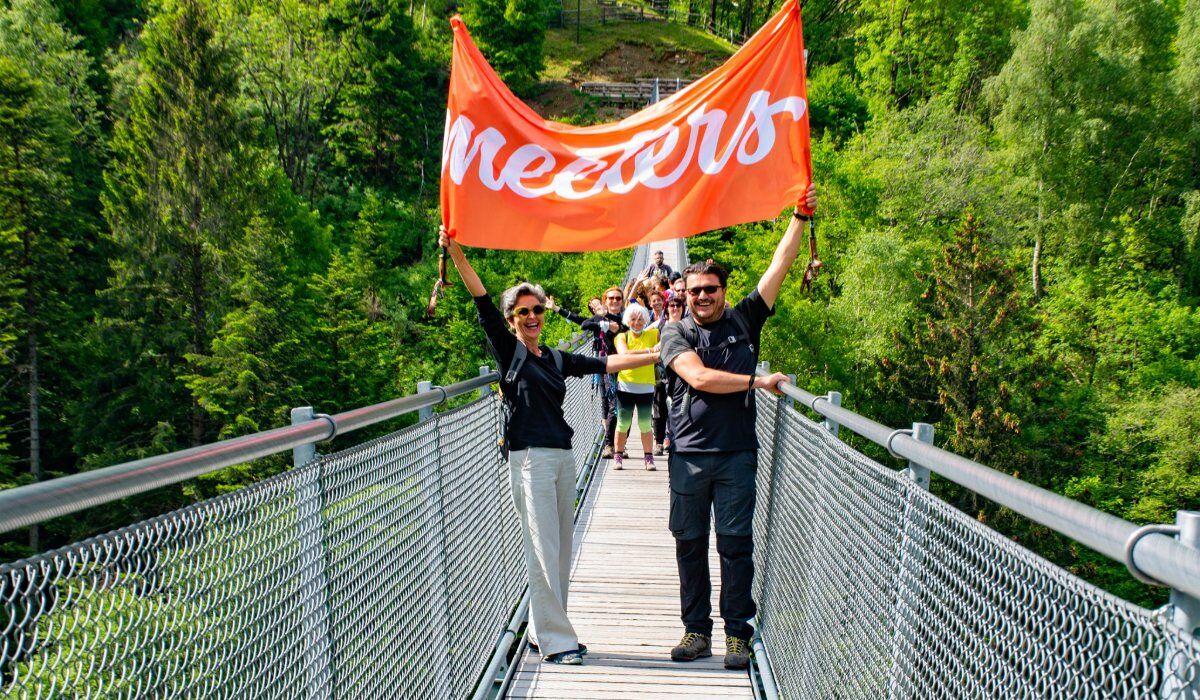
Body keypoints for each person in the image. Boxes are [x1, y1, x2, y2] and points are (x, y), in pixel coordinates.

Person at [439, 227, 659, 666]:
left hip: (562, 455)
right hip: (529, 459)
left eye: (537, 309)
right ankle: (558, 642)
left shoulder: (555, 358)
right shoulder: (510, 351)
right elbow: (481, 300)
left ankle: (543, 632)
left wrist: (657, 355)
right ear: (512, 320)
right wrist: (456, 251)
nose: (533, 316)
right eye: (523, 312)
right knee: (542, 550)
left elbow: (607, 361)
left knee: (560, 547)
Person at [659, 184, 818, 671]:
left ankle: (736, 635)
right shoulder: (676, 331)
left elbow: (780, 266)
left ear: (723, 292)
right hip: (688, 455)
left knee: (734, 545)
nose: (702, 297)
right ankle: (695, 630)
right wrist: (758, 380)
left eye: (710, 289)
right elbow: (698, 377)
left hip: (735, 455)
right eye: (694, 291)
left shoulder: (746, 320)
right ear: (684, 296)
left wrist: (799, 216)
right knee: (689, 543)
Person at [581, 287, 627, 458]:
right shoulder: (603, 318)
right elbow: (585, 324)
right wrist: (603, 321)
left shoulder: (627, 318)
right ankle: (609, 445)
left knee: (626, 407)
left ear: (622, 301)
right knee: (614, 405)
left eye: (618, 298)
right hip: (607, 367)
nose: (615, 301)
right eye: (611, 298)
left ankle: (621, 445)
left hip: (627, 366)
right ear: (605, 301)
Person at [613, 304, 660, 470]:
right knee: (623, 423)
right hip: (626, 385)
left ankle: (648, 458)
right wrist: (649, 352)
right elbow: (624, 354)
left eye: (640, 319)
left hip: (646, 386)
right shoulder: (621, 337)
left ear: (646, 320)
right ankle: (618, 456)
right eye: (633, 319)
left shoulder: (654, 333)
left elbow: (664, 344)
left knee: (645, 424)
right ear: (628, 321)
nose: (637, 322)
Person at [651, 295, 685, 455]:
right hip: (661, 372)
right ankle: (658, 441)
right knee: (659, 407)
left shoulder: (688, 326)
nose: (675, 308)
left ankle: (671, 438)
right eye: (672, 306)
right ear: (667, 309)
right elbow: (643, 336)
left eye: (678, 305)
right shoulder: (659, 326)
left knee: (676, 407)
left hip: (681, 372)